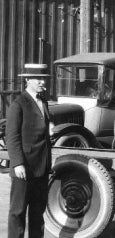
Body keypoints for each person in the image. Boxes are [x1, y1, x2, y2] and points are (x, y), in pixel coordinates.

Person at [6, 63, 52, 238]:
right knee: (17, 212)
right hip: (23, 168)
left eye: (44, 79)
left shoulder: (43, 101)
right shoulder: (18, 104)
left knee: (37, 213)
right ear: (27, 80)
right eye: (38, 79)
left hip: (41, 167)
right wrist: (17, 163)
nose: (42, 82)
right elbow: (12, 136)